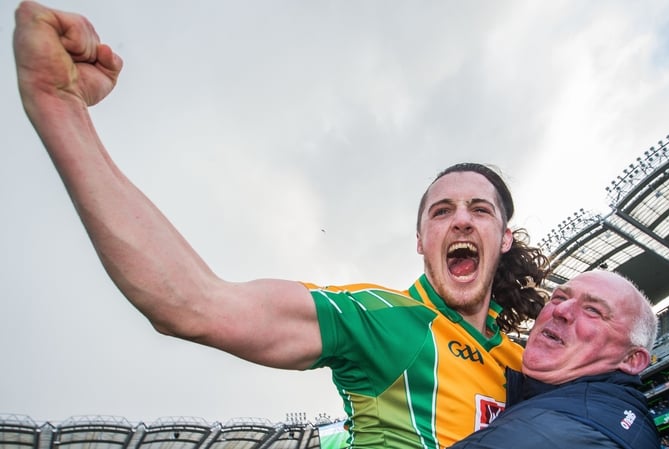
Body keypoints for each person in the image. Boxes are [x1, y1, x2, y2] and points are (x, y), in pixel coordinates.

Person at [12, 2, 550, 448]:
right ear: (421, 241)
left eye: (480, 210)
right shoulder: (381, 321)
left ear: (503, 238)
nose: (460, 219)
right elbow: (192, 305)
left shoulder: (530, 363)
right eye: (441, 211)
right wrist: (59, 107)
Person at [450, 270, 660, 449]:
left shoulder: (554, 431)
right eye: (559, 297)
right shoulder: (606, 414)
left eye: (593, 310)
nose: (560, 310)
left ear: (632, 359)